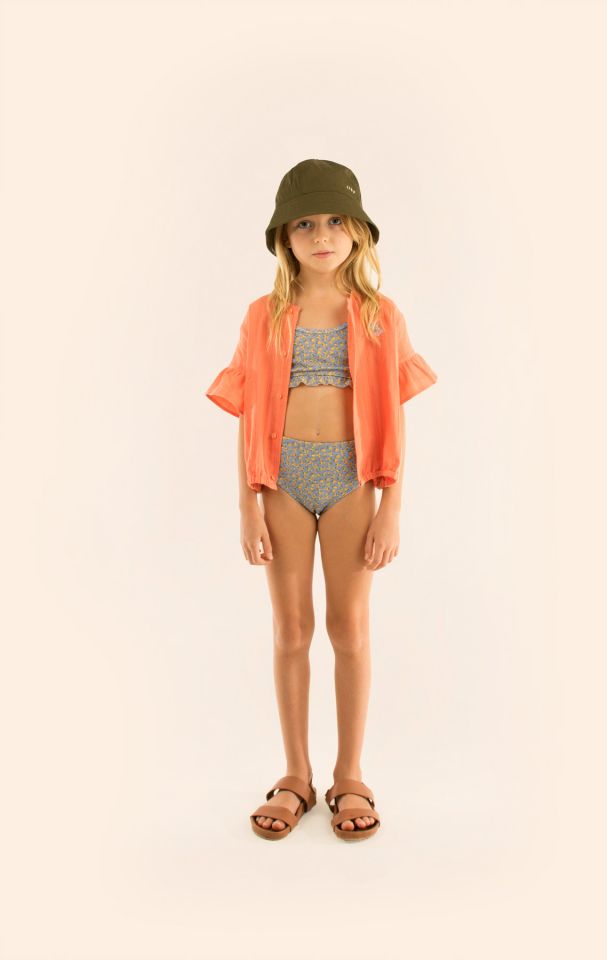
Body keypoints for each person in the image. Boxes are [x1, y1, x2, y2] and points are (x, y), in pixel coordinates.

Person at [205, 158, 438, 842]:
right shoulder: (264, 315)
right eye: (304, 224)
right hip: (281, 477)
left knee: (349, 629)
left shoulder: (379, 316)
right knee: (291, 630)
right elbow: (248, 413)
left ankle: (350, 774)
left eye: (335, 220)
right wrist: (247, 502)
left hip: (350, 479)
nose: (321, 235)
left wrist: (391, 505)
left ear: (359, 231)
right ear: (284, 237)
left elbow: (395, 417)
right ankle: (296, 775)